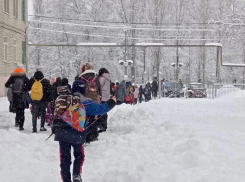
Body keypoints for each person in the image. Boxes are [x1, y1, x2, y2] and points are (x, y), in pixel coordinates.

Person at [52, 85, 116, 182]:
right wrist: (112, 102)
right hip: (77, 133)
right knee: (79, 155)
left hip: (62, 133)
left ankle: (66, 179)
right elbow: (101, 109)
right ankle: (76, 174)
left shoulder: (63, 100)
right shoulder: (85, 101)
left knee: (65, 158)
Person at [79, 62, 101, 143]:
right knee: (94, 118)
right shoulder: (96, 77)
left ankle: (85, 135)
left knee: (84, 117)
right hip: (94, 100)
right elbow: (99, 89)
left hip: (84, 100)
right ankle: (93, 134)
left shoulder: (81, 77)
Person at [98, 68, 110, 132]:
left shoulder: (102, 78)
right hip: (107, 97)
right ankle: (104, 126)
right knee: (104, 112)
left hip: (102, 97)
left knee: (101, 112)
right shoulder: (108, 78)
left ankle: (102, 126)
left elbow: (99, 86)